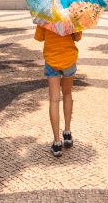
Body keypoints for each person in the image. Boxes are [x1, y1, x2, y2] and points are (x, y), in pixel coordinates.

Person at [34, 24, 82, 157]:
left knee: (54, 99)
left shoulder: (45, 15)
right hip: (69, 58)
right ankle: (67, 134)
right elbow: (77, 37)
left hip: (52, 59)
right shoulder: (72, 15)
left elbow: (39, 37)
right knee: (67, 93)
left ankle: (57, 143)